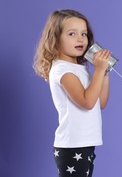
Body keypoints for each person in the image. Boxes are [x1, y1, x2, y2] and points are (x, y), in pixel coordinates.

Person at [33, 9, 112, 177]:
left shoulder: (80, 69)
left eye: (84, 34)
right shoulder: (63, 71)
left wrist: (104, 73)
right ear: (55, 39)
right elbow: (87, 102)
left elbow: (101, 102)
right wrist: (98, 70)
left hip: (85, 143)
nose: (80, 39)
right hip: (72, 146)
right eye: (71, 34)